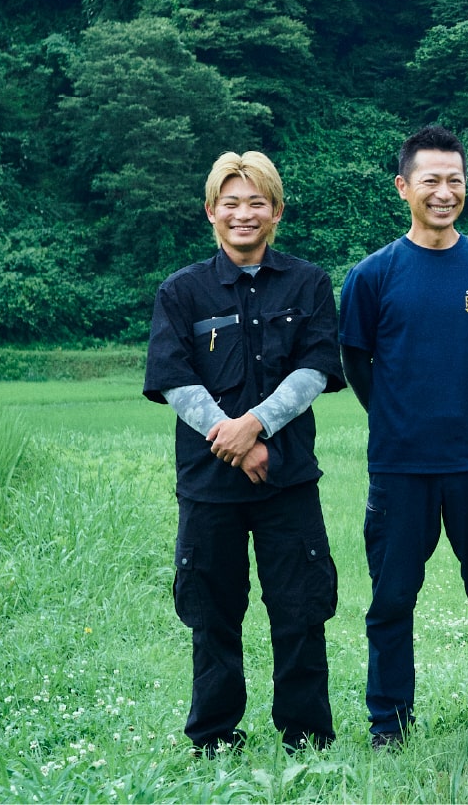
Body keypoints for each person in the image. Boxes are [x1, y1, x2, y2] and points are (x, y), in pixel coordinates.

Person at [339, 126, 468, 747]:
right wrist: (398, 414)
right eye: (431, 180)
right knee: (392, 598)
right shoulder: (372, 275)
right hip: (400, 464)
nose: (444, 192)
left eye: (455, 180)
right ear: (404, 187)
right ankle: (389, 722)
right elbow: (357, 362)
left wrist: (464, 402)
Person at [144, 151, 343, 756]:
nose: (243, 213)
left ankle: (306, 737)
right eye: (230, 202)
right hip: (209, 485)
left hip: (288, 480)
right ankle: (213, 737)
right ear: (211, 211)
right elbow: (174, 379)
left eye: (257, 202)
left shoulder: (308, 283)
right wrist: (231, 441)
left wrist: (255, 426)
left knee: (301, 609)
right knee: (212, 613)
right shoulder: (182, 291)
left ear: (276, 211)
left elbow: (315, 369)